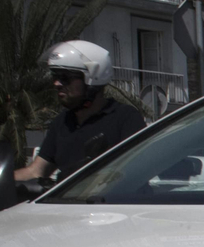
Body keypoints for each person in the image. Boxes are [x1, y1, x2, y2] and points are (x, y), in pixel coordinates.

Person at [15, 41, 145, 187]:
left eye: (65, 77)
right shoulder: (62, 122)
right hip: (69, 206)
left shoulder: (125, 118)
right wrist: (0, 181)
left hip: (112, 206)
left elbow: (134, 172)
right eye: (55, 77)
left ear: (91, 79)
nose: (57, 84)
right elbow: (35, 171)